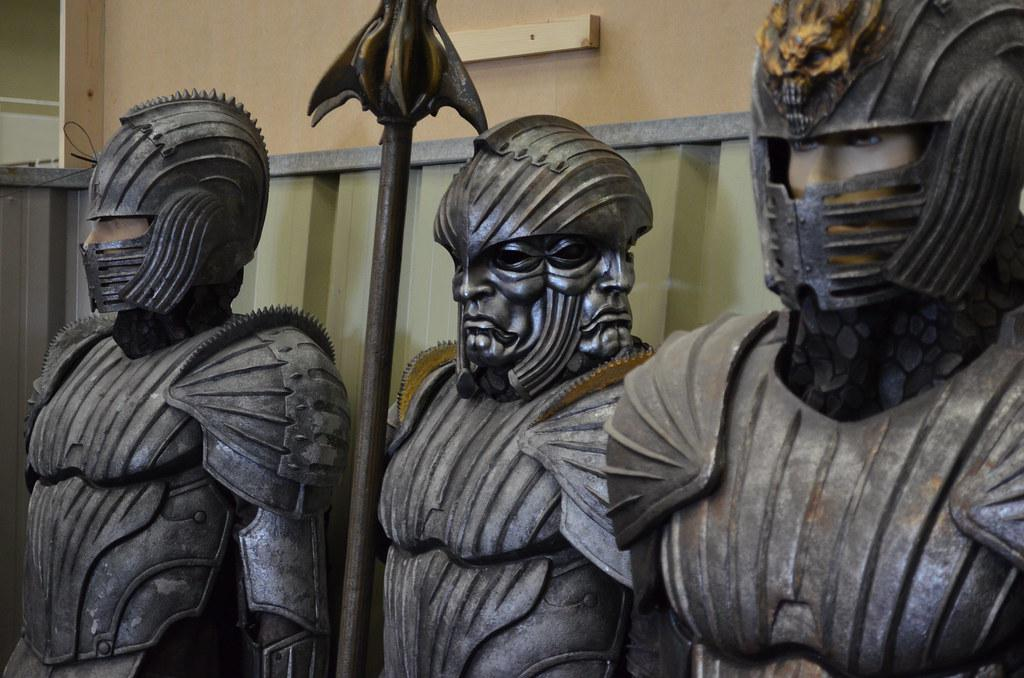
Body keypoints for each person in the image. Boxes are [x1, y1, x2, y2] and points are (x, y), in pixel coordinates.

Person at [607, 0, 1024, 675]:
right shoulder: (683, 402)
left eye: (863, 140)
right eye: (800, 147)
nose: (815, 186)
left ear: (977, 141)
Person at [4, 91, 347, 678]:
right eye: (95, 224)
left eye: (114, 222)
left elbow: (286, 621)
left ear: (195, 228)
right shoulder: (74, 355)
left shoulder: (269, 374)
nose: (91, 244)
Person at [380, 115, 653, 677]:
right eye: (462, 262)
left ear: (594, 268)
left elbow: (661, 645)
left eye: (507, 259)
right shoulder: (427, 395)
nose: (465, 289)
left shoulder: (629, 416)